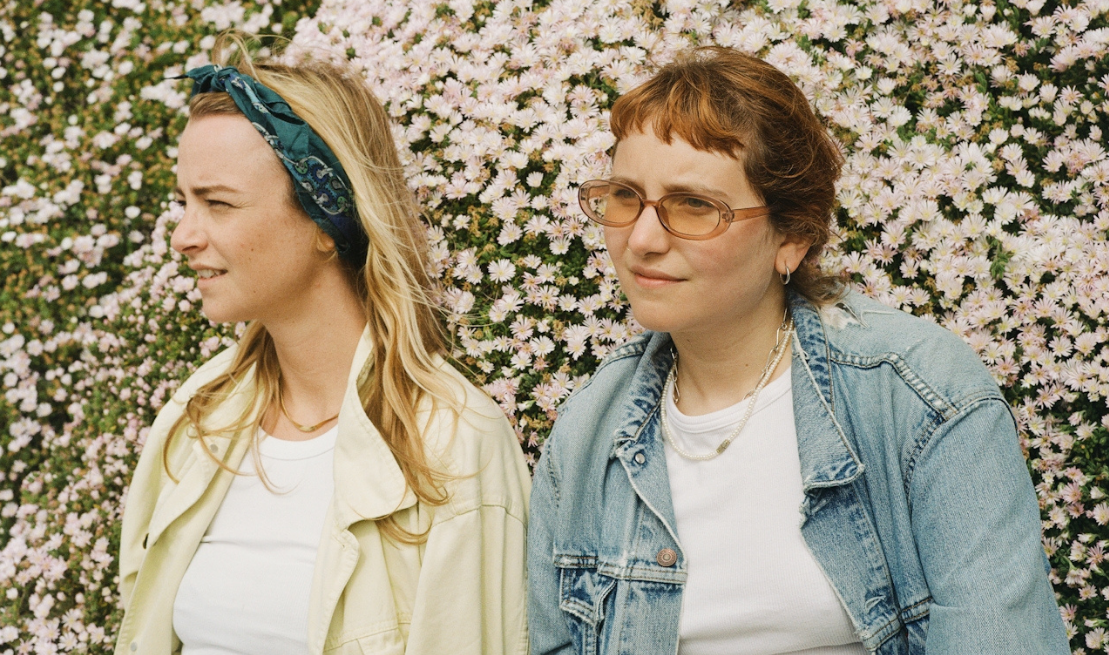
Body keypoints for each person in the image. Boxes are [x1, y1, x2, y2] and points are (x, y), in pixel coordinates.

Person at [527, 47, 1069, 655]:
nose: (643, 240)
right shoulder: (588, 432)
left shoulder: (918, 396)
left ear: (792, 236)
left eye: (696, 205)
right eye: (626, 196)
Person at [116, 35, 530, 655]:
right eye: (184, 202)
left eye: (217, 204)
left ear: (325, 221)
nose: (182, 236)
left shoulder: (451, 445)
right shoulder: (198, 416)